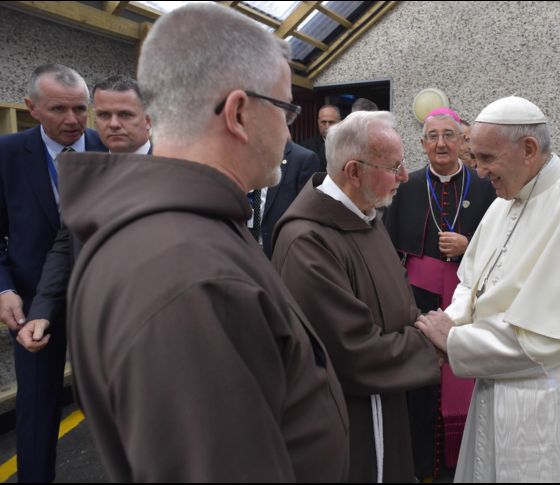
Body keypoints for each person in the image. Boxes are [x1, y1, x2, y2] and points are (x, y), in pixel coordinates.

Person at [56, 3, 348, 481]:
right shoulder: (186, 276)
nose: (289, 128)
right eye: (285, 108)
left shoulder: (191, 233)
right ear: (238, 113)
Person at [416, 96, 560, 482]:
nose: (479, 171)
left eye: (487, 158)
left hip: (559, 406)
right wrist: (453, 319)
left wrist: (455, 341)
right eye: (475, 157)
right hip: (504, 389)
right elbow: (472, 282)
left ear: (528, 150)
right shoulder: (504, 201)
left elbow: (547, 340)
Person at [272, 111, 441, 482]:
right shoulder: (309, 242)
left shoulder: (366, 216)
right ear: (354, 172)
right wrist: (433, 342)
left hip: (387, 404)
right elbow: (351, 352)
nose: (403, 177)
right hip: (352, 419)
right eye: (394, 166)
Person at [0, 64, 107, 483]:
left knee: (114, 401)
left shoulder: (107, 149)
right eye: (59, 109)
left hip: (99, 302)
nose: (72, 120)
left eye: (81, 109)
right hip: (30, 306)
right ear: (31, 108)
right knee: (38, 406)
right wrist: (4, 289)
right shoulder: (7, 155)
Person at [384, 107, 495, 478]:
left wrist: (470, 244)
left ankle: (460, 463)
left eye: (449, 135)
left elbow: (502, 245)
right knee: (421, 385)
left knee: (465, 377)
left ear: (463, 141)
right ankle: (417, 462)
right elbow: (388, 248)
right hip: (420, 300)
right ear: (422, 144)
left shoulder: (485, 187)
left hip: (469, 300)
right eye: (432, 137)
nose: (441, 143)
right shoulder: (407, 185)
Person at [18, 74, 152, 352]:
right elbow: (66, 243)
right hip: (93, 335)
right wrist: (42, 309)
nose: (113, 124)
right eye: (103, 115)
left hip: (154, 333)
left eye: (125, 114)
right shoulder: (85, 175)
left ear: (148, 119)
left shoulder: (180, 171)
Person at [245, 140, 321, 259]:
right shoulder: (245, 154)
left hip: (280, 251)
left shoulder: (303, 159)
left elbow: (309, 214)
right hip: (246, 248)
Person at [301, 104, 341, 171]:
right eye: (323, 122)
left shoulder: (348, 145)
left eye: (331, 122)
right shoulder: (307, 147)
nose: (327, 126)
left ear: (339, 122)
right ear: (318, 122)